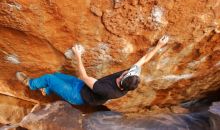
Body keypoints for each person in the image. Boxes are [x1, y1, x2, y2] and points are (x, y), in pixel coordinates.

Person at [16, 35, 169, 106]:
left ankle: (30, 84)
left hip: (77, 95)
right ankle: (46, 91)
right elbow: (144, 60)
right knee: (56, 76)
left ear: (122, 80)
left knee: (49, 78)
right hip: (83, 87)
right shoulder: (129, 80)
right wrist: (159, 46)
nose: (124, 71)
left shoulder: (107, 91)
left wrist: (78, 55)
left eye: (124, 73)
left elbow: (83, 76)